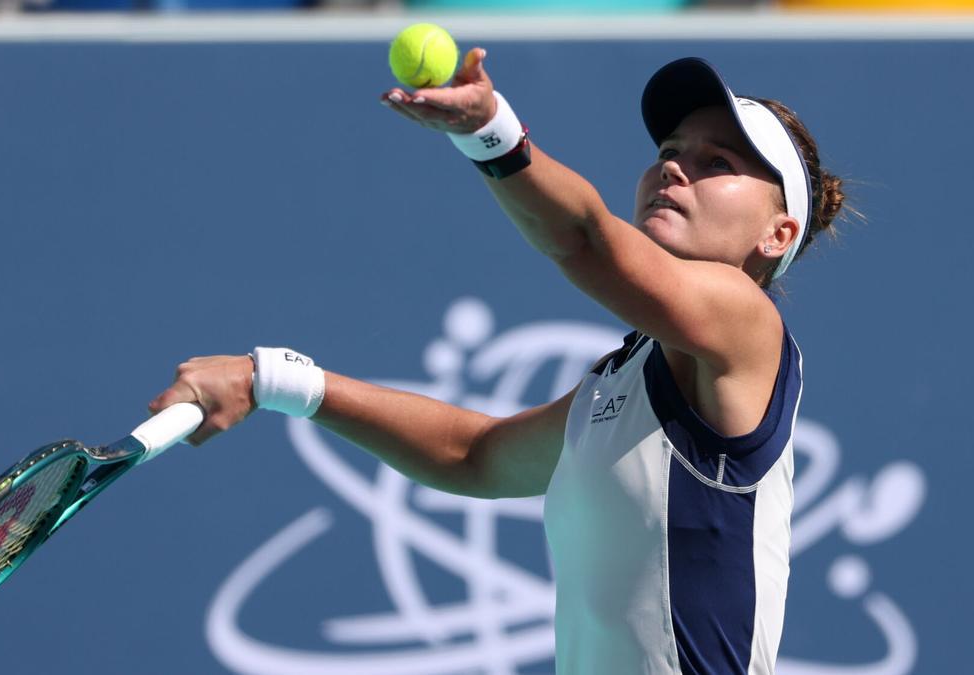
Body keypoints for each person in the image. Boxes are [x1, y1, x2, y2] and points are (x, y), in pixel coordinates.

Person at [148, 51, 845, 674]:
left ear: (777, 233)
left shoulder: (747, 323)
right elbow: (474, 454)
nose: (672, 165)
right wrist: (275, 378)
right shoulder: (626, 381)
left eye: (715, 163)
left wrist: (491, 132)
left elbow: (585, 239)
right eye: (670, 148)